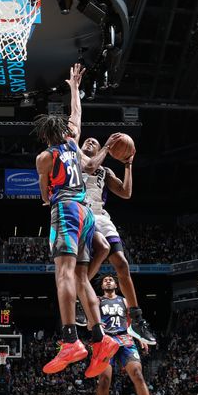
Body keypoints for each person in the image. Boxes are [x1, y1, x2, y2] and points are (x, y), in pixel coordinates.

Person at [34, 63, 116, 376]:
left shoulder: (45, 157)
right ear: (65, 133)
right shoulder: (73, 142)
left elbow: (44, 192)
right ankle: (100, 338)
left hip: (66, 210)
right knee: (81, 278)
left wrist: (45, 197)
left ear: (45, 136)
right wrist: (73, 88)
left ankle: (71, 339)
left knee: (64, 273)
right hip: (86, 214)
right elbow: (77, 115)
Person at [80, 136, 156, 345]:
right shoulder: (75, 159)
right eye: (87, 141)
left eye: (94, 142)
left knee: (122, 264)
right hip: (79, 213)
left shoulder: (105, 171)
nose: (90, 143)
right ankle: (81, 296)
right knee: (95, 255)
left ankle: (137, 319)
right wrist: (105, 147)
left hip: (100, 216)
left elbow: (125, 192)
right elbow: (89, 167)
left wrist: (128, 165)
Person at [94, 275, 161, 395]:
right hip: (105, 341)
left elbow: (132, 321)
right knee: (104, 380)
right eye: (105, 280)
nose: (108, 281)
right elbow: (91, 320)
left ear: (116, 284)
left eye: (111, 279)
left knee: (138, 374)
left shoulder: (124, 300)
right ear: (102, 286)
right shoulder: (97, 300)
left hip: (125, 338)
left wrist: (140, 337)